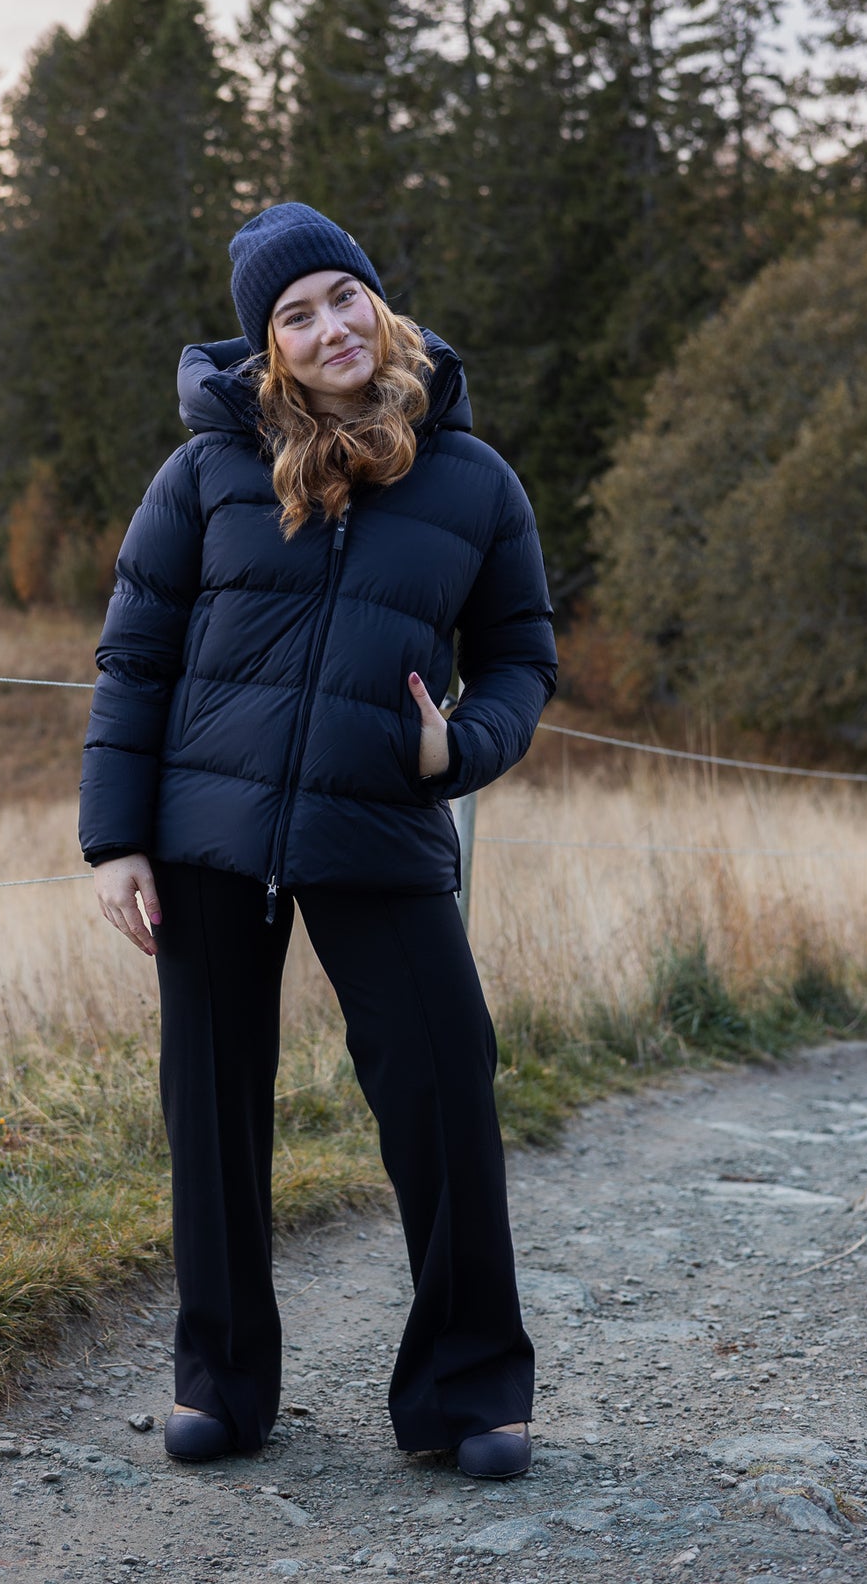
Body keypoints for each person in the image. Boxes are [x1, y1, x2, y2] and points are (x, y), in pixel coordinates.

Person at [79, 203, 557, 1479]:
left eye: (344, 296)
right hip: (205, 834)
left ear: (378, 302)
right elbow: (135, 657)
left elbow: (521, 654)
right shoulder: (204, 472)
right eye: (296, 316)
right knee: (213, 1110)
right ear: (269, 347)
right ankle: (221, 1385)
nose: (330, 327)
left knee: (445, 1086)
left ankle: (468, 1392)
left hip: (381, 821)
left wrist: (461, 749)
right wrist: (115, 840)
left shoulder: (474, 480)